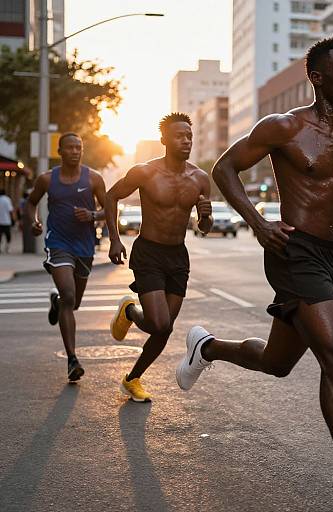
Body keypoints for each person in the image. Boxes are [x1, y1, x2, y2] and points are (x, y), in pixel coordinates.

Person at [175, 38, 333, 511]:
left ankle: (207, 347)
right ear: (319, 78)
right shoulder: (284, 126)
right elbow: (224, 168)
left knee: (277, 363)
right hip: (291, 249)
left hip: (330, 255)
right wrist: (258, 223)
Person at [106, 113, 212, 403]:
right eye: (180, 136)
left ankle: (132, 379)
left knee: (164, 329)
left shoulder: (201, 178)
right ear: (164, 140)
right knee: (160, 324)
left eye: (190, 136)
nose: (186, 141)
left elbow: (205, 228)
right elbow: (111, 196)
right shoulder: (145, 172)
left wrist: (205, 218)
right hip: (149, 253)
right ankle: (130, 311)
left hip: (178, 256)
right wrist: (115, 239)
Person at [26, 133, 106, 381]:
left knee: (73, 303)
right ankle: (72, 359)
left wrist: (93, 216)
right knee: (70, 296)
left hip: (84, 246)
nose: (74, 151)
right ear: (59, 151)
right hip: (58, 243)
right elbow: (31, 203)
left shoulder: (93, 178)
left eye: (78, 147)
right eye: (69, 148)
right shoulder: (47, 179)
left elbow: (108, 209)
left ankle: (57, 302)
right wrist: (35, 222)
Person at [0, 189, 14, 253]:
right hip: (6, 220)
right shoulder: (7, 199)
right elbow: (10, 210)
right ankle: (7, 247)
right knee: (7, 234)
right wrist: (12, 218)